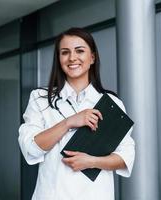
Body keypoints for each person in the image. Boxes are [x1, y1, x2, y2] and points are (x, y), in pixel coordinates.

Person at [18, 27, 135, 200]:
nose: (72, 58)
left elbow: (125, 156)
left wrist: (92, 161)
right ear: (59, 59)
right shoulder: (40, 98)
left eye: (79, 51)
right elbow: (30, 148)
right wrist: (69, 122)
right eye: (65, 52)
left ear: (92, 57)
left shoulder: (111, 103)